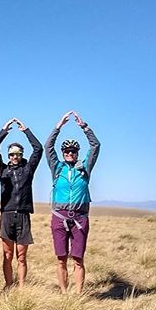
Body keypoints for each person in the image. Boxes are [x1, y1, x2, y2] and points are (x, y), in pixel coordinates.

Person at [45, 110, 100, 294]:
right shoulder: (57, 168)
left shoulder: (84, 168)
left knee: (78, 258)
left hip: (80, 217)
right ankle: (64, 293)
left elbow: (95, 146)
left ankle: (78, 294)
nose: (70, 153)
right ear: (63, 153)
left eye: (73, 151)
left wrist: (84, 127)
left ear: (77, 154)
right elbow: (48, 147)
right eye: (67, 151)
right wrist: (59, 126)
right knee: (61, 258)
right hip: (59, 217)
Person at [0, 118, 43, 288]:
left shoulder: (28, 169)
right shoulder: (3, 170)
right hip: (7, 215)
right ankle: (8, 285)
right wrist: (4, 130)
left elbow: (38, 149)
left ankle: (21, 287)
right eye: (12, 154)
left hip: (23, 215)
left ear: (22, 155)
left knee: (21, 256)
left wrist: (26, 130)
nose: (15, 157)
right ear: (8, 156)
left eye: (18, 154)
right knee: (7, 255)